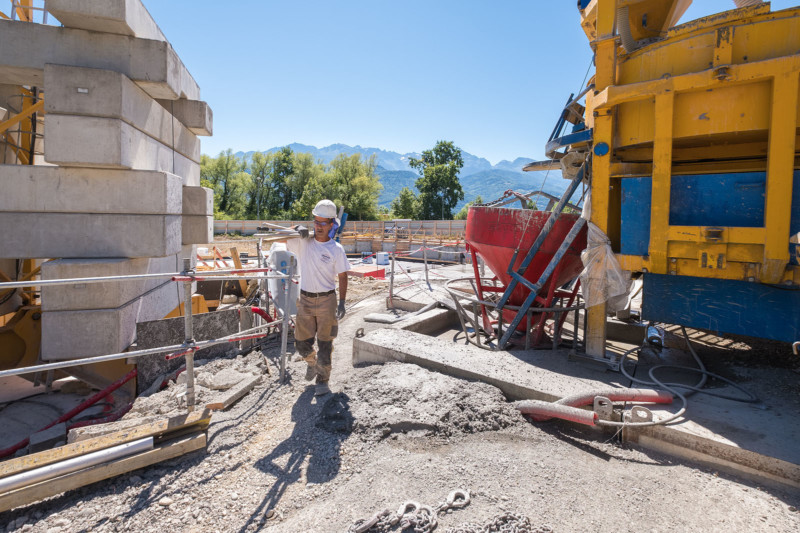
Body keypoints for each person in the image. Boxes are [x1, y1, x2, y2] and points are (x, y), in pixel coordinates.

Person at [285, 199, 350, 396]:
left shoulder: (336, 249)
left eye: (323, 223)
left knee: (325, 343)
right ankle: (312, 363)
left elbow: (343, 275)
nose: (318, 226)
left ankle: (323, 380)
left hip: (326, 301)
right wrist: (297, 227)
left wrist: (342, 302)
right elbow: (284, 237)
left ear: (332, 224)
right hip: (305, 300)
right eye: (316, 221)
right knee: (301, 343)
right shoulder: (304, 243)